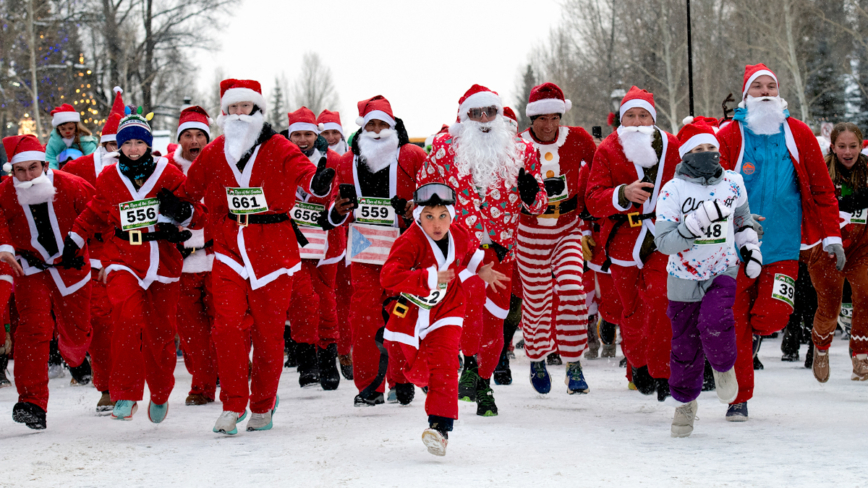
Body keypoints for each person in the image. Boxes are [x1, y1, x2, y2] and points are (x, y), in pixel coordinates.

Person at [177, 79, 334, 434]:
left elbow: (303, 171)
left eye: (244, 107)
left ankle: (262, 402)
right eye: (232, 108)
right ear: (224, 112)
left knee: (268, 332)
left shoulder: (278, 145)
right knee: (227, 326)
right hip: (231, 247)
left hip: (273, 251)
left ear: (258, 111)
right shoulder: (216, 150)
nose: (238, 114)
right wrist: (174, 203)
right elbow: (190, 189)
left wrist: (317, 183)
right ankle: (233, 405)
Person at [717, 64, 843, 420]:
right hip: (736, 247)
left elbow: (822, 189)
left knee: (773, 314)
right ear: (746, 95)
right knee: (734, 318)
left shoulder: (798, 133)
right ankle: (738, 397)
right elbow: (713, 188)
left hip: (784, 245)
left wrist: (832, 235)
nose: (766, 92)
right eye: (758, 87)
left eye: (771, 85)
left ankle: (752, 337)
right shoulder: (729, 134)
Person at [67, 107, 206, 423]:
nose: (132, 149)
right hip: (123, 258)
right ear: (118, 146)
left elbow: (198, 214)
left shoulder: (168, 173)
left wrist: (180, 213)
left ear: (147, 144)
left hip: (162, 260)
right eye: (126, 143)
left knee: (160, 334)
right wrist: (73, 239)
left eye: (138, 143)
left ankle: (159, 393)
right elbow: (94, 211)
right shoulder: (109, 177)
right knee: (126, 320)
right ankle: (126, 393)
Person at [418, 84, 547, 416]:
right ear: (465, 117)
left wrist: (532, 194)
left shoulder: (522, 152)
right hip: (462, 247)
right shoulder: (445, 151)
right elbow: (424, 190)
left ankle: (484, 381)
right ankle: (469, 366)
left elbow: (539, 205)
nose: (485, 120)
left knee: (496, 320)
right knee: (469, 310)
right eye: (477, 113)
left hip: (503, 250)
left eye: (491, 112)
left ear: (501, 115)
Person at [382, 183, 506, 456]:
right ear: (418, 217)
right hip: (411, 313)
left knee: (446, 364)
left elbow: (469, 254)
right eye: (429, 216)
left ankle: (439, 428)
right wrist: (426, 277)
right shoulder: (409, 241)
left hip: (448, 308)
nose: (437, 224)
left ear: (451, 216)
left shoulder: (458, 233)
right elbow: (388, 277)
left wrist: (481, 270)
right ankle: (422, 379)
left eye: (442, 216)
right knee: (413, 368)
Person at [654, 119, 760, 437]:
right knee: (684, 346)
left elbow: (742, 219)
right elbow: (664, 242)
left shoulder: (733, 183)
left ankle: (724, 366)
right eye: (698, 149)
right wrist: (693, 225)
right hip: (682, 276)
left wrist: (751, 248)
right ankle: (686, 403)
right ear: (685, 155)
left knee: (716, 321)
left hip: (722, 268)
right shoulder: (673, 190)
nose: (706, 153)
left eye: (711, 147)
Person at [325, 95, 427, 407]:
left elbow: (433, 202)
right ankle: (370, 385)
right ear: (362, 128)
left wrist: (416, 208)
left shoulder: (413, 156)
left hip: (404, 252)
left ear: (394, 126)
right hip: (364, 250)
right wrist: (339, 209)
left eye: (383, 124)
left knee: (402, 316)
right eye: (371, 124)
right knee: (364, 318)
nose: (378, 130)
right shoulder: (346, 162)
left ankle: (402, 379)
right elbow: (332, 211)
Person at [586, 86, 679, 401]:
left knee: (661, 300)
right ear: (620, 119)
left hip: (662, 237)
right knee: (633, 310)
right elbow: (593, 199)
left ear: (653, 119)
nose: (637, 122)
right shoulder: (609, 149)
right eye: (630, 116)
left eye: (643, 116)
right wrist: (622, 194)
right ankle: (637, 363)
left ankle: (663, 371)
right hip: (623, 238)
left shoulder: (671, 145)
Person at [0, 134, 95, 430]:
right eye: (20, 170)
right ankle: (32, 403)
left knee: (77, 335)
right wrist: (4, 248)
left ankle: (75, 357)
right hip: (29, 268)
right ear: (11, 171)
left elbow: (101, 218)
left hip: (71, 268)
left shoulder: (73, 186)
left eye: (33, 168)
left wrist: (99, 257)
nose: (27, 176)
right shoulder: (4, 193)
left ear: (44, 165)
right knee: (33, 329)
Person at [517, 82, 596, 395]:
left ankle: (573, 363)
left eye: (554, 118)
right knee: (537, 302)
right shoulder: (517, 144)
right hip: (530, 230)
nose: (548, 125)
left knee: (573, 290)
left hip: (567, 228)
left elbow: (602, 164)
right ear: (532, 119)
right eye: (541, 119)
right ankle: (537, 357)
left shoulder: (577, 138)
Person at [62, 86, 125, 414]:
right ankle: (107, 385)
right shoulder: (79, 170)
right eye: (111, 144)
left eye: (124, 143)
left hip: (135, 255)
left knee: (131, 321)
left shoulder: (150, 169)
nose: (118, 150)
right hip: (96, 255)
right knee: (101, 322)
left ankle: (129, 379)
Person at [284, 106, 344, 390]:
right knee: (300, 300)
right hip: (292, 241)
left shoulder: (333, 160)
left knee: (326, 301)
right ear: (290, 136)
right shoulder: (280, 158)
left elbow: (339, 194)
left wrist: (331, 213)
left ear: (316, 135)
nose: (303, 139)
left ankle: (328, 357)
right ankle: (306, 359)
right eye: (297, 134)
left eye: (308, 134)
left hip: (327, 241)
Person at [166, 105, 220, 405]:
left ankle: (224, 372)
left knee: (224, 324)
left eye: (200, 134)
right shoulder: (168, 172)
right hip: (181, 261)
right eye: (188, 135)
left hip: (216, 259)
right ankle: (202, 384)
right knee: (191, 332)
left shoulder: (220, 166)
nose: (194, 140)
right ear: (181, 139)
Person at [806, 122, 868, 382]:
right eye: (842, 146)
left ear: (860, 146)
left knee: (865, 295)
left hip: (860, 245)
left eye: (853, 146)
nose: (848, 151)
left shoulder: (866, 169)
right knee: (829, 307)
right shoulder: (822, 169)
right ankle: (821, 347)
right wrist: (845, 202)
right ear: (832, 146)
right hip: (827, 248)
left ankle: (861, 356)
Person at [45, 104, 98, 169]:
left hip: (81, 170)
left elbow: (92, 158)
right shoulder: (54, 142)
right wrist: (56, 174)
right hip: (61, 172)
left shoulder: (85, 140)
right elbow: (50, 159)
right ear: (58, 129)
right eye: (63, 129)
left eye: (70, 128)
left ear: (76, 127)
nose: (67, 132)